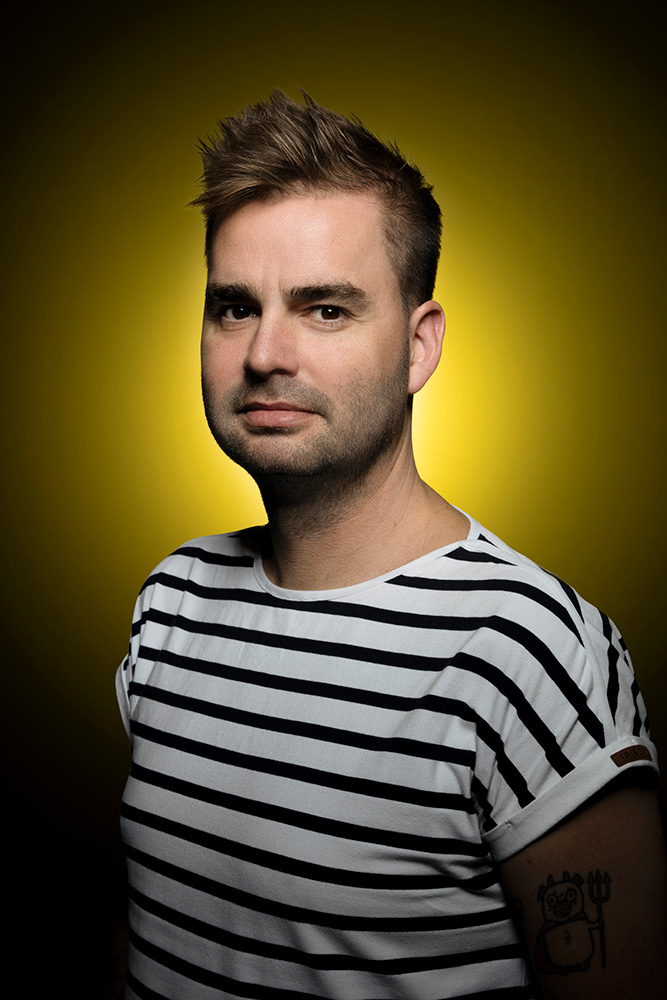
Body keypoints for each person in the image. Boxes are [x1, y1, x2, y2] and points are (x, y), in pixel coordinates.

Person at [114, 91, 666, 1000]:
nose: (264, 353)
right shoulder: (171, 601)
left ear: (419, 347)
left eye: (325, 309)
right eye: (234, 307)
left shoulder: (528, 649)